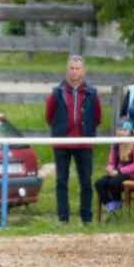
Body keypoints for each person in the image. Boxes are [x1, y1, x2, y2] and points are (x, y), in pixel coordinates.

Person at [45, 55, 102, 224]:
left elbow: (97, 118)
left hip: (84, 143)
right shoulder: (57, 93)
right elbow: (49, 116)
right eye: (71, 68)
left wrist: (86, 131)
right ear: (67, 70)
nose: (74, 71)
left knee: (86, 181)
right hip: (62, 142)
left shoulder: (92, 93)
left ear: (83, 71)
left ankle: (86, 218)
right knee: (61, 181)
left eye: (77, 68)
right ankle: (63, 218)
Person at [95, 123, 134, 213]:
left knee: (114, 182)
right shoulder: (116, 143)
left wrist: (119, 171)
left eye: (124, 130)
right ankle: (110, 205)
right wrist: (110, 168)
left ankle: (117, 203)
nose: (122, 132)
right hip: (119, 171)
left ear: (130, 131)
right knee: (99, 183)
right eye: (120, 130)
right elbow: (111, 162)